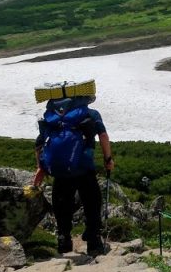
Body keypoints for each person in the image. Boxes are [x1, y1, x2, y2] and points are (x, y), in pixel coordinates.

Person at [33, 96, 115, 256]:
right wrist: (108, 159)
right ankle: (94, 242)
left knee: (61, 203)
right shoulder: (91, 114)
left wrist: (40, 168)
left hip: (60, 170)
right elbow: (103, 136)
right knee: (92, 202)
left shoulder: (51, 118)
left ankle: (63, 240)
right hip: (84, 167)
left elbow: (39, 143)